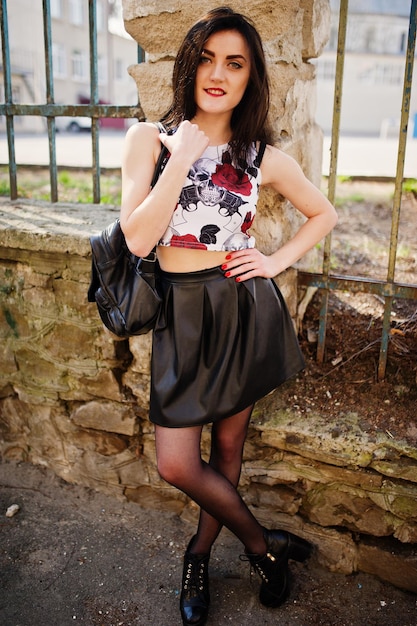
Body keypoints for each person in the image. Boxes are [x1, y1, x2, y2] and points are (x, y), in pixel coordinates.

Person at [120, 6, 338, 625]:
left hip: (239, 307)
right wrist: (183, 158)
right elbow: (137, 239)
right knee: (177, 463)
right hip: (181, 316)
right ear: (189, 65)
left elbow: (324, 214)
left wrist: (273, 261)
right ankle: (265, 548)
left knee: (228, 446)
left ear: (250, 78)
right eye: (209, 58)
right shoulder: (149, 140)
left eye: (235, 63)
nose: (219, 73)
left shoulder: (261, 156)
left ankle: (198, 553)